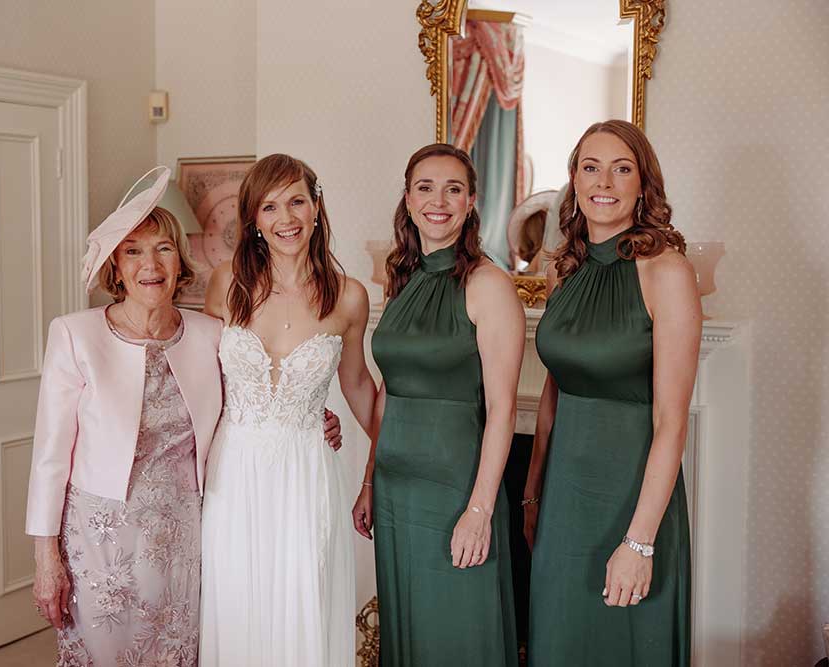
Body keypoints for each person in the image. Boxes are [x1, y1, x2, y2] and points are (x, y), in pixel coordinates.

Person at [25, 167, 342, 666]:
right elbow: (49, 458)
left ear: (180, 261)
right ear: (116, 267)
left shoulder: (208, 332)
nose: (150, 265)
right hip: (100, 538)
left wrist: (314, 411)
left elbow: (255, 392)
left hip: (187, 535)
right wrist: (46, 557)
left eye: (164, 249)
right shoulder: (74, 334)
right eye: (133, 251)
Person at [524, 120, 701, 666]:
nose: (604, 182)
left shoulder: (667, 273)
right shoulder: (562, 271)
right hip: (563, 500)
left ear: (643, 184)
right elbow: (553, 393)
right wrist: (532, 494)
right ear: (575, 181)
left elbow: (672, 421)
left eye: (621, 169)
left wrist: (639, 542)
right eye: (591, 167)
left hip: (634, 499)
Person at [199, 154, 377, 667]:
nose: (286, 218)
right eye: (270, 206)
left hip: (306, 472)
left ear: (316, 207)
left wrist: (374, 471)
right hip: (234, 471)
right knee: (237, 601)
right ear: (254, 219)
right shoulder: (225, 284)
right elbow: (201, 382)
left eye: (297, 201)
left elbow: (359, 385)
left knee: (304, 599)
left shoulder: (348, 297)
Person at [353, 143, 524, 666]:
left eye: (454, 189)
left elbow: (503, 411)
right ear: (408, 199)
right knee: (410, 631)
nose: (439, 201)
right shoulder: (400, 279)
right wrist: (368, 481)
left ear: (471, 202)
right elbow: (388, 390)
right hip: (395, 490)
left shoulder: (489, 285)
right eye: (425, 188)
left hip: (456, 488)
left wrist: (479, 509)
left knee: (458, 632)